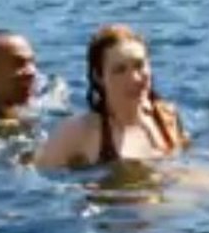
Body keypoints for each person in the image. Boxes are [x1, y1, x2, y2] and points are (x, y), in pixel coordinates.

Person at [34, 24, 190, 170]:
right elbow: (39, 178)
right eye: (120, 70)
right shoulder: (77, 132)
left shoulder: (167, 119)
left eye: (139, 65)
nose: (135, 78)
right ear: (99, 77)